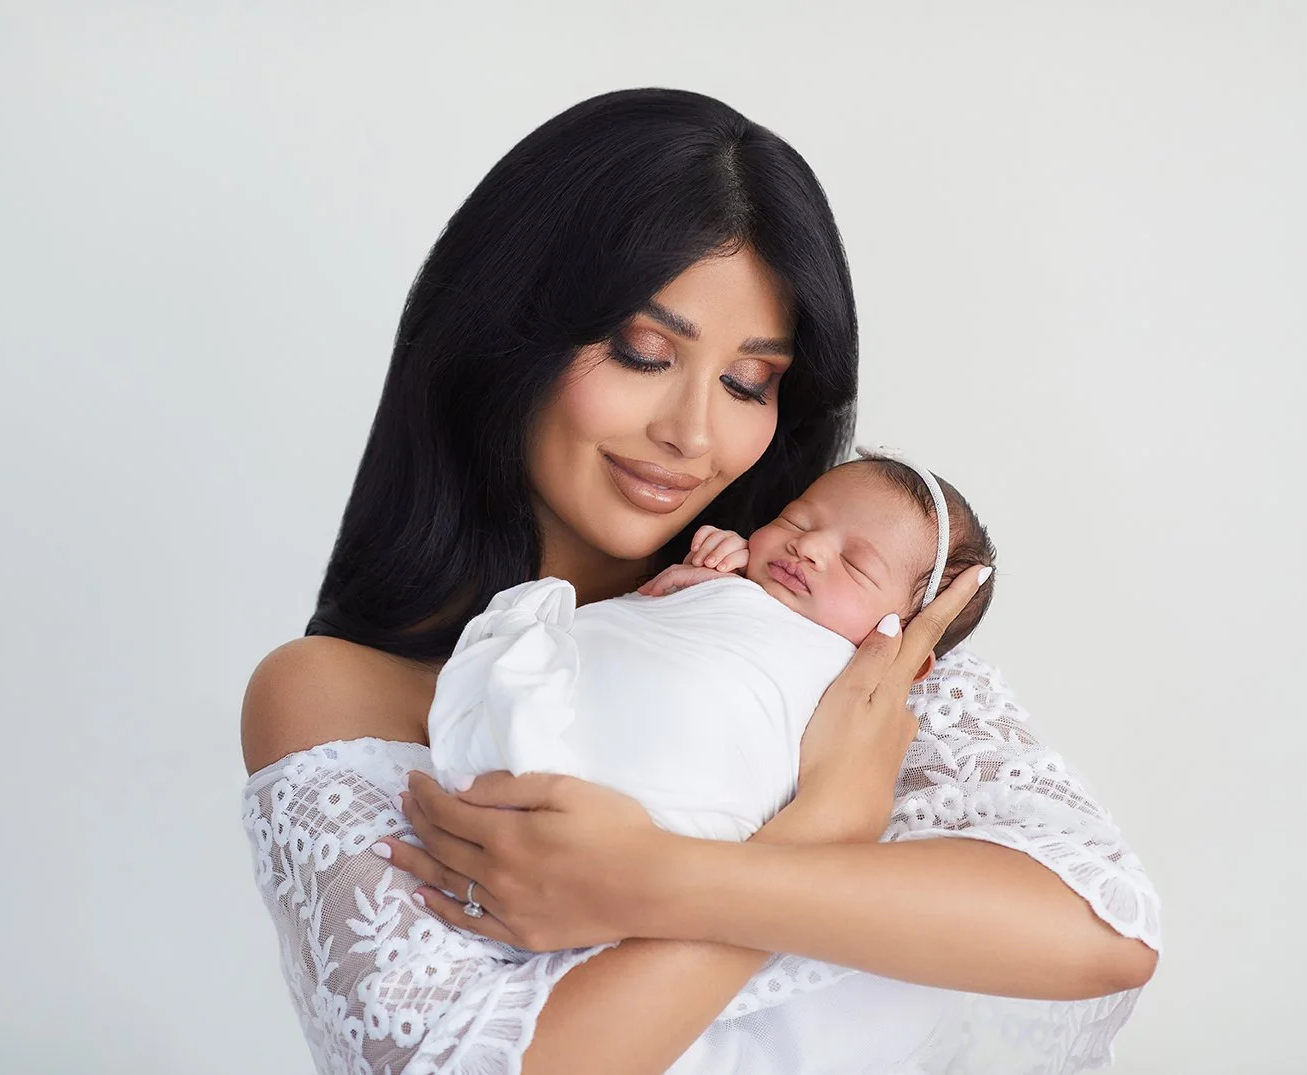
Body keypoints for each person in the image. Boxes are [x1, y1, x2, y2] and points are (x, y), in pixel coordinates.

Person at [240, 88, 1160, 1075]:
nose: (692, 432)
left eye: (748, 383)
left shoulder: (847, 644)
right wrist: (821, 829)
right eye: (642, 353)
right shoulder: (336, 694)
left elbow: (1097, 932)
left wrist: (660, 876)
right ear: (505, 336)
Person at [425, 454, 997, 847]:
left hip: (664, 818)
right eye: (796, 519)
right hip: (556, 712)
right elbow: (652, 619)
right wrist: (710, 574)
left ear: (907, 656)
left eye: (856, 564)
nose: (810, 546)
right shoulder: (738, 580)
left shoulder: (853, 689)